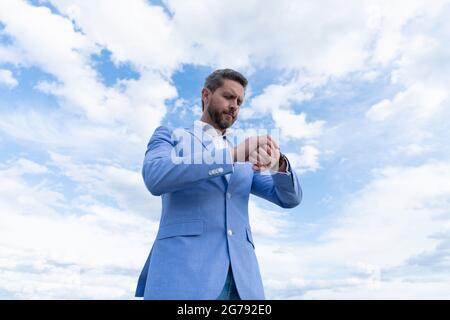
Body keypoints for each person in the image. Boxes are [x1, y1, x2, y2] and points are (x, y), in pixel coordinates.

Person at [135, 69, 302, 300]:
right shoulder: (170, 136)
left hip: (243, 284)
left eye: (240, 101)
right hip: (184, 278)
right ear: (206, 95)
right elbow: (155, 177)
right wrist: (231, 155)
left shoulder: (245, 159)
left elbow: (289, 199)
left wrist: (278, 165)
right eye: (228, 96)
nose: (234, 105)